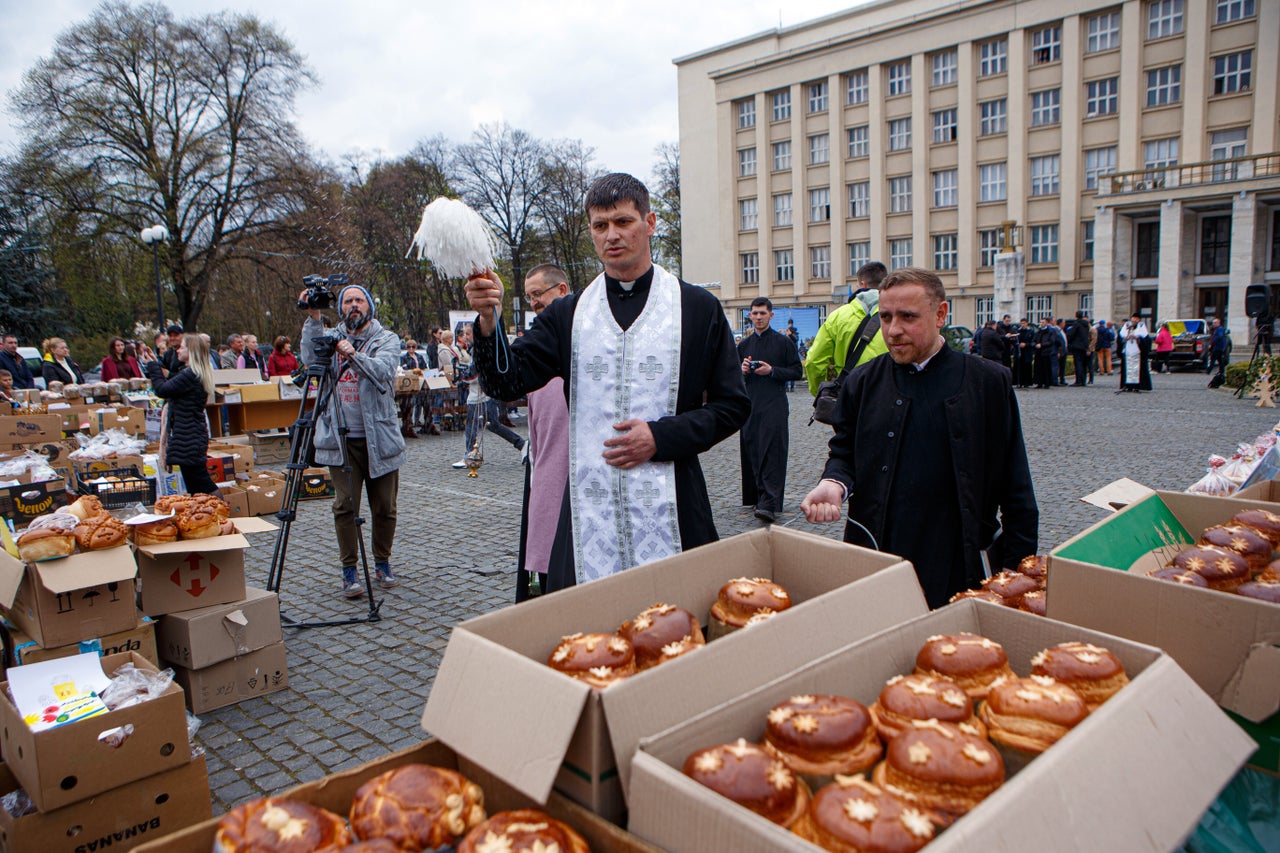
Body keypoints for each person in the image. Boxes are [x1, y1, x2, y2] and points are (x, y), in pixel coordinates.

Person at [464, 172, 749, 592]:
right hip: (586, 514)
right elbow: (507, 382)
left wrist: (660, 436)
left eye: (623, 222)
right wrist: (489, 319)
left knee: (678, 631)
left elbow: (732, 406)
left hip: (674, 502)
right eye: (600, 226)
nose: (611, 235)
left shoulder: (697, 307)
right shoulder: (569, 313)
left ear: (649, 223)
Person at [799, 267, 1038, 608]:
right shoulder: (862, 382)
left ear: (940, 314)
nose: (893, 330)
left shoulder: (987, 383)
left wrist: (1018, 573)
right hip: (878, 555)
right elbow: (844, 452)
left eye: (907, 317)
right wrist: (834, 483)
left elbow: (1016, 488)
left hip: (958, 560)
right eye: (885, 317)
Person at [300, 280, 406, 597]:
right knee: (345, 506)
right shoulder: (331, 337)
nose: (353, 306)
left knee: (385, 507)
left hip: (380, 438)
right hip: (340, 438)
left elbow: (383, 372)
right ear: (341, 308)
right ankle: (349, 570)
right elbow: (309, 360)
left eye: (359, 300)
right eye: (347, 302)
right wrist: (314, 317)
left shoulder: (386, 339)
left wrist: (352, 355)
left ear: (369, 306)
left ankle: (382, 562)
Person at [515, 264, 573, 601]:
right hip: (548, 479)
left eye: (539, 294)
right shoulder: (535, 354)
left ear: (562, 290)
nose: (534, 302)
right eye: (530, 297)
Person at [737, 297, 803, 524]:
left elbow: (796, 372)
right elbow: (734, 377)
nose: (758, 317)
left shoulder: (783, 343)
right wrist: (743, 370)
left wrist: (772, 371)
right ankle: (757, 495)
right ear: (750, 315)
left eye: (762, 313)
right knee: (752, 449)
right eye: (754, 313)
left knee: (772, 450)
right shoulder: (743, 346)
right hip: (750, 403)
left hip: (774, 403)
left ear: (771, 315)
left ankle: (770, 502)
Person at [143, 335, 221, 496]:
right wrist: (155, 363)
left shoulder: (191, 374)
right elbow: (171, 382)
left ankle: (221, 511)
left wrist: (152, 366)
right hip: (189, 435)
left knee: (201, 482)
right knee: (195, 485)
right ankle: (208, 514)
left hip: (189, 436)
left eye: (182, 347)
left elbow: (162, 389)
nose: (178, 350)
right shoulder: (191, 373)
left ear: (191, 351)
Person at [804, 262, 890, 396]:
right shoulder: (897, 314)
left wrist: (819, 391)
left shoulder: (837, 316)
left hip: (850, 393)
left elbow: (814, 361)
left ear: (863, 284)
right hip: (888, 394)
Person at [1117, 314, 1152, 393]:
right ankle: (1128, 385)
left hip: (1137, 351)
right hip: (1128, 350)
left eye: (1136, 319)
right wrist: (1126, 337)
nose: (1134, 320)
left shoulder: (1141, 326)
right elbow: (1122, 335)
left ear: (1138, 319)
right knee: (1127, 369)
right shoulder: (1127, 325)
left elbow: (1144, 337)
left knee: (1137, 369)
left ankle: (1137, 385)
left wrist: (1137, 337)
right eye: (1133, 319)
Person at [1033, 318, 1059, 389]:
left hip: (1046, 352)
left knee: (1046, 368)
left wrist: (1042, 345)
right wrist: (1035, 344)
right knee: (1038, 368)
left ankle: (1047, 383)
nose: (1041, 324)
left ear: (1047, 323)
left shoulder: (1050, 331)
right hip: (1038, 353)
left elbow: (1051, 341)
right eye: (1040, 322)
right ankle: (1039, 382)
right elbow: (1034, 340)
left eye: (1043, 322)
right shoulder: (1038, 332)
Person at [1067, 311, 1091, 386]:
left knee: (1078, 364)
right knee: (1083, 364)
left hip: (1077, 346)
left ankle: (1078, 381)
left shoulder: (1076, 324)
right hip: (1084, 346)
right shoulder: (1086, 324)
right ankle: (1083, 380)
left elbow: (1071, 334)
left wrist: (1069, 340)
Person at [1014, 318, 1036, 388]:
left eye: (1024, 323)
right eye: (1021, 323)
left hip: (1027, 352)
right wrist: (1018, 344)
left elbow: (1033, 342)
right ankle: (1019, 382)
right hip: (1019, 352)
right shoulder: (1018, 331)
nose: (1022, 325)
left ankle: (1027, 382)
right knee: (1019, 367)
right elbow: (1014, 341)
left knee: (1027, 367)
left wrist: (1026, 344)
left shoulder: (1031, 331)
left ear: (1027, 323)